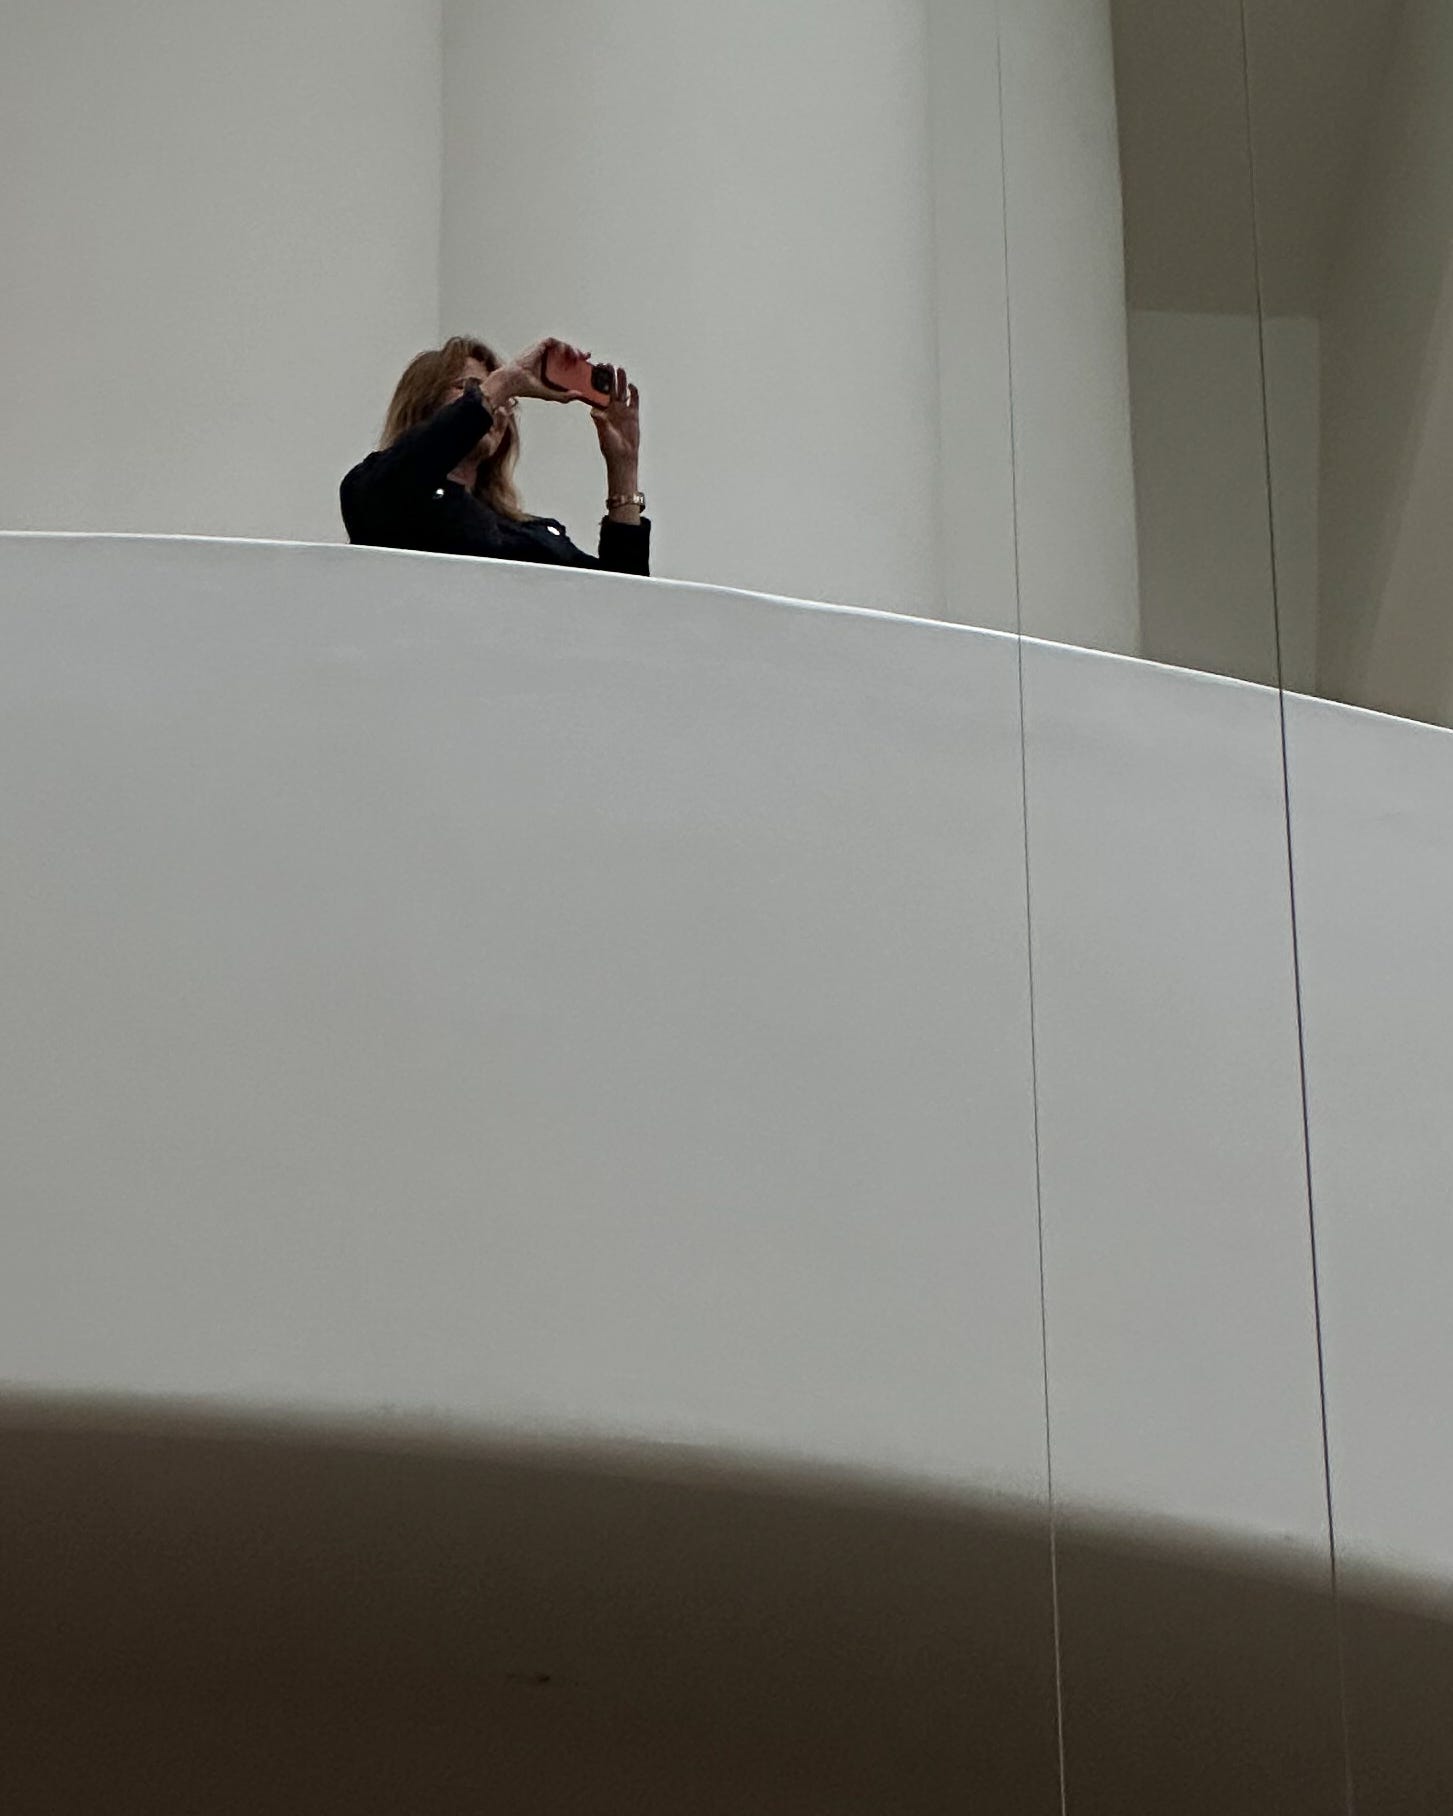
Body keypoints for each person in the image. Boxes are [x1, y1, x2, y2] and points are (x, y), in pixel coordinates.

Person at [341, 335, 649, 575]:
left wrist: (623, 466)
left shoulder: (532, 531)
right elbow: (392, 482)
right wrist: (505, 382)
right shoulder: (382, 494)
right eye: (473, 387)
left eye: (508, 400)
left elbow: (620, 603)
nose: (500, 408)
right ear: (424, 402)